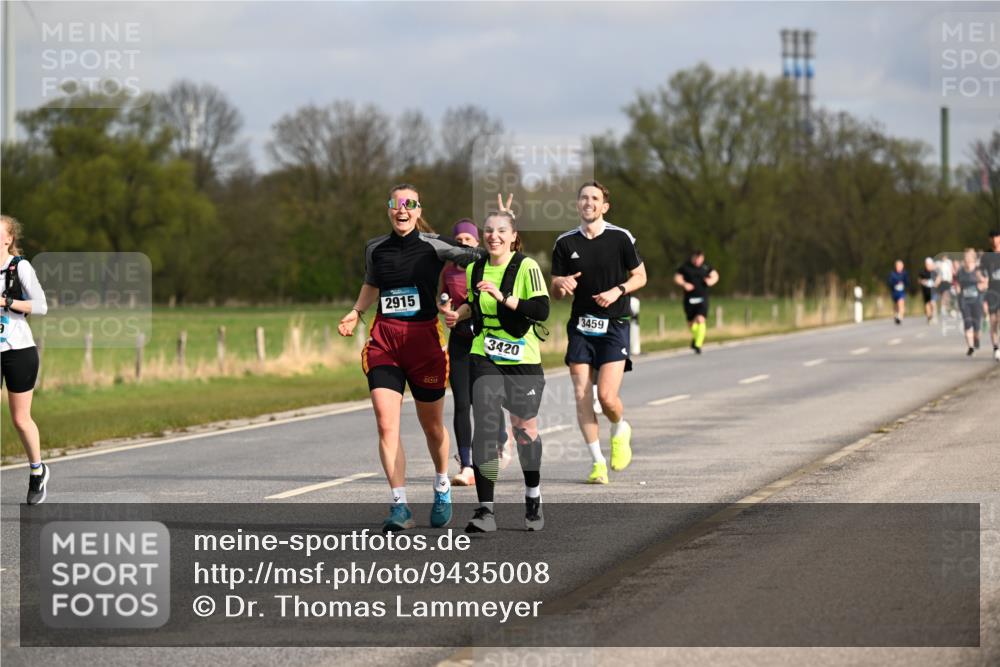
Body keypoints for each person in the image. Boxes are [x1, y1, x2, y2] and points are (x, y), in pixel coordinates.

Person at [338, 185, 483, 533]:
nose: (402, 210)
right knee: (386, 424)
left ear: (418, 210)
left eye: (409, 205)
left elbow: (477, 257)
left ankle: (441, 486)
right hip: (385, 340)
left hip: (424, 342)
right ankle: (399, 504)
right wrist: (356, 312)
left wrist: (496, 248)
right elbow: (372, 282)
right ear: (389, 208)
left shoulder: (435, 244)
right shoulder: (375, 248)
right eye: (396, 204)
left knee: (432, 426)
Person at [446, 202, 550, 532]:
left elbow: (542, 309)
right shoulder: (475, 268)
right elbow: (472, 304)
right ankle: (485, 511)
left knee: (524, 431)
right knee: (487, 428)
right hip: (484, 351)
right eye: (488, 230)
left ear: (513, 237)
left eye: (501, 231)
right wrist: (457, 314)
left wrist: (504, 297)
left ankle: (532, 496)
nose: (493, 236)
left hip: (523, 359)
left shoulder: (526, 267)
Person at [551, 181, 646, 485]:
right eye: (583, 198)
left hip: (614, 326)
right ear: (577, 204)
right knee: (581, 393)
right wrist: (561, 284)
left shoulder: (621, 238)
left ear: (605, 206)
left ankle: (620, 428)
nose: (588, 202)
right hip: (580, 326)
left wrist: (618, 290)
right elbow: (556, 289)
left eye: (595, 198)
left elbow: (640, 276)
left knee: (606, 397)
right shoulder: (564, 243)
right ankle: (597, 463)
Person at [438, 220, 510, 486]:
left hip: (486, 339)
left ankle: (501, 439)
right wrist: (446, 309)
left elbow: (510, 248)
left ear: (476, 243)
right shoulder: (448, 271)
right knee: (461, 402)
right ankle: (467, 464)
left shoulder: (485, 267)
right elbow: (442, 298)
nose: (463, 243)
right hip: (459, 340)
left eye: (468, 239)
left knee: (488, 400)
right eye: (460, 239)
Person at [0, 215, 50, 504]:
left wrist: (6, 302)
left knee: (20, 419)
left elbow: (41, 305)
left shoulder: (20, 267)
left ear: (8, 239)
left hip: (18, 350)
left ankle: (36, 471)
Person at [674, 250, 720, 354]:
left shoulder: (706, 267)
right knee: (691, 324)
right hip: (689, 299)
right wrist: (684, 284)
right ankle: (696, 339)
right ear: (693, 257)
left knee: (700, 319)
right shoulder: (685, 267)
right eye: (696, 258)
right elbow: (677, 278)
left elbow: (715, 276)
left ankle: (698, 344)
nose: (698, 260)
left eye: (700, 258)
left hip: (702, 298)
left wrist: (710, 281)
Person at [955, 248, 988, 357]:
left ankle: (976, 338)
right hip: (965, 301)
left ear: (973, 258)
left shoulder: (979, 270)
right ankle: (970, 347)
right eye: (965, 257)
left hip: (977, 301)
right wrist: (958, 289)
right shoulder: (960, 271)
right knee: (967, 323)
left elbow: (986, 283)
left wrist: (980, 286)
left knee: (976, 325)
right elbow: (957, 283)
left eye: (969, 257)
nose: (967, 259)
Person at [980, 231, 1000, 361]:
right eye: (992, 239)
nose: (994, 241)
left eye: (997, 238)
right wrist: (983, 280)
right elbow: (981, 273)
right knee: (993, 321)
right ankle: (996, 348)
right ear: (989, 240)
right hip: (992, 292)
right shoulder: (986, 256)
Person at [888, 260, 909, 325]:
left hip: (901, 292)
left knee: (901, 303)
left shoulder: (904, 273)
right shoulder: (892, 274)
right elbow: (889, 282)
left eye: (901, 266)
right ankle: (896, 315)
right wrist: (896, 284)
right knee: (896, 305)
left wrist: (903, 284)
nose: (899, 267)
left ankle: (900, 317)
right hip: (894, 292)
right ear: (896, 266)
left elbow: (907, 282)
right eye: (898, 266)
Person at [918, 257, 938, 324]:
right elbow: (919, 280)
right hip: (925, 290)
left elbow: (939, 278)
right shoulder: (922, 272)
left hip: (933, 291)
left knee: (932, 303)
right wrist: (922, 281)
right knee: (927, 304)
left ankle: (934, 315)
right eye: (927, 264)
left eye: (929, 264)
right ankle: (929, 317)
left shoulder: (934, 272)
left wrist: (936, 283)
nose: (928, 266)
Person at [936, 254, 955, 319]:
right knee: (943, 295)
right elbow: (938, 272)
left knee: (946, 294)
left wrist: (953, 277)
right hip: (942, 281)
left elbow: (952, 271)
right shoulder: (939, 263)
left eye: (945, 257)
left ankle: (945, 308)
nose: (944, 258)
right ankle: (944, 308)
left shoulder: (949, 263)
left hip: (948, 281)